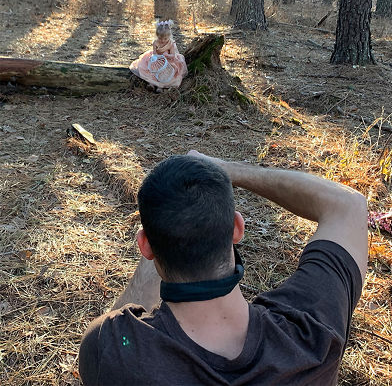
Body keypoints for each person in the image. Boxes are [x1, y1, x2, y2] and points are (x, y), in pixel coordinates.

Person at [78, 151, 367, 385]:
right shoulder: (311, 329)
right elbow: (348, 205)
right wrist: (224, 169)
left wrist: (162, 241)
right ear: (237, 228)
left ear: (145, 246)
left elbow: (122, 324)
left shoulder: (113, 350)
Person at [129, 19, 188, 89]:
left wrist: (167, 55)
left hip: (168, 61)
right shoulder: (155, 43)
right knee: (151, 70)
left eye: (165, 39)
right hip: (158, 60)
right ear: (157, 36)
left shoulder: (171, 44)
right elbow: (154, 53)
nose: (162, 41)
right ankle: (152, 84)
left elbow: (173, 55)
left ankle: (160, 87)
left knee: (167, 73)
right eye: (160, 38)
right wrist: (155, 57)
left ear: (169, 36)